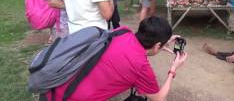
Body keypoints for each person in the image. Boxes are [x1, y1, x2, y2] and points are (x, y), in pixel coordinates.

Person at [45, 16, 188, 100]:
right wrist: (173, 69)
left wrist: (162, 43)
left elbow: (136, 49)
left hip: (55, 85)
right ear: (157, 45)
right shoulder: (141, 67)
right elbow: (159, 97)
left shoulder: (122, 31)